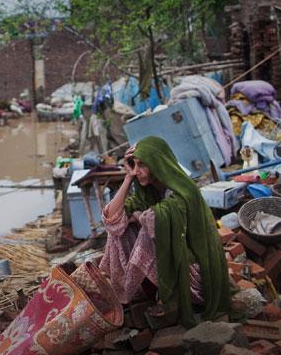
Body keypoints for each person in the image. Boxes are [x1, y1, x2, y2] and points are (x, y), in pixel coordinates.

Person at [99, 136, 231, 327]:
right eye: (133, 165)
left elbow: (153, 220)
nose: (137, 171)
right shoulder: (147, 193)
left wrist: (139, 216)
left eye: (142, 165)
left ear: (157, 163)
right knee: (119, 232)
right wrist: (127, 177)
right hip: (169, 266)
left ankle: (166, 299)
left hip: (194, 274)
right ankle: (137, 291)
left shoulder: (184, 191)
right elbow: (110, 218)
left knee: (150, 227)